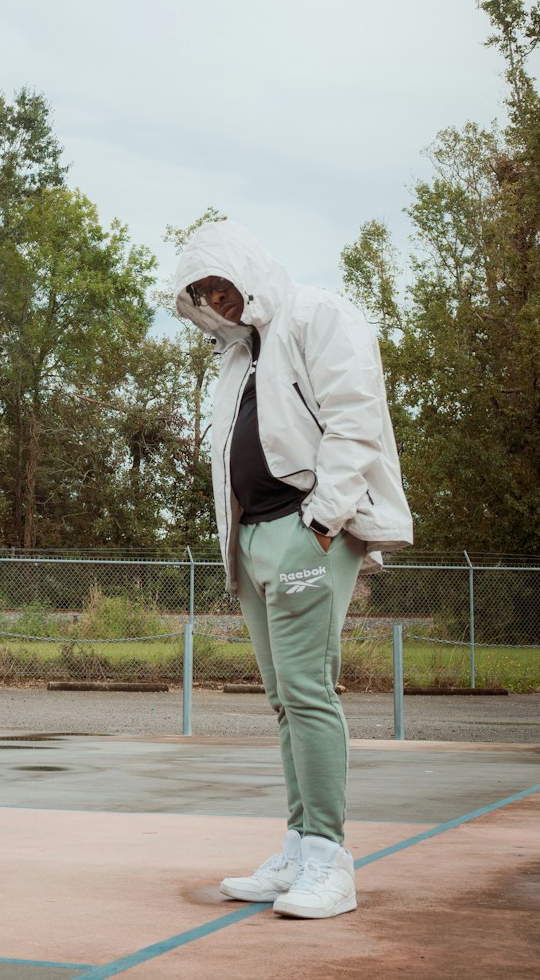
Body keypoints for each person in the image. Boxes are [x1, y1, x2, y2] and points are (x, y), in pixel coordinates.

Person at [173, 220, 412, 920]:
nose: (216, 300)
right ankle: (300, 845)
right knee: (284, 699)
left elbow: (355, 419)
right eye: (201, 294)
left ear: (247, 271)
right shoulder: (236, 357)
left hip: (308, 528)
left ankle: (330, 861)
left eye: (220, 284)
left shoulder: (318, 314)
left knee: (308, 693)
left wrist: (321, 522)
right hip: (253, 540)